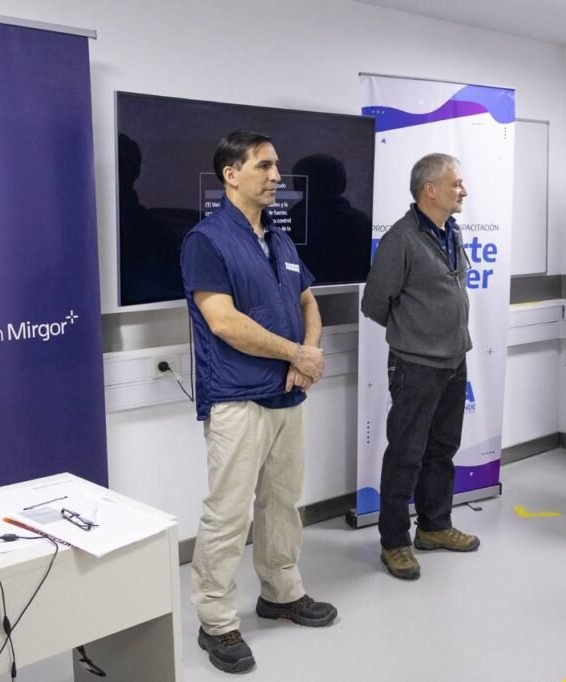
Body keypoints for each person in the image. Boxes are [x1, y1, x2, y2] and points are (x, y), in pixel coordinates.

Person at [180, 131, 337, 674]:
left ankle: (281, 592)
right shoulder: (206, 241)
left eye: (277, 167)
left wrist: (307, 355)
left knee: (283, 504)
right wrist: (297, 353)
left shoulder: (280, 239)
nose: (276, 177)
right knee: (228, 513)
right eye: (265, 166)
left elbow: (308, 302)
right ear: (231, 175)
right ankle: (216, 621)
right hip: (237, 398)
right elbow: (223, 322)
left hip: (288, 394)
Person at [361, 152, 479, 581]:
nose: (463, 191)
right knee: (406, 454)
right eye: (456, 184)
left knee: (442, 449)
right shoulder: (401, 239)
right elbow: (374, 303)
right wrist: (415, 332)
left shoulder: (451, 230)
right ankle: (394, 542)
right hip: (415, 365)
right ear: (430, 190)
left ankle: (434, 526)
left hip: (454, 359)